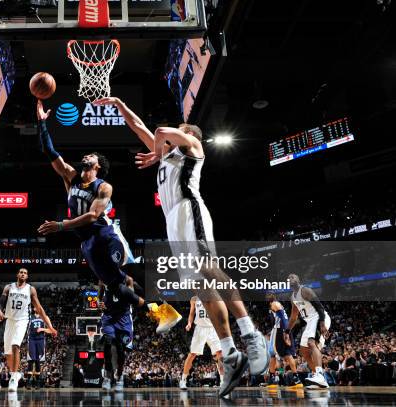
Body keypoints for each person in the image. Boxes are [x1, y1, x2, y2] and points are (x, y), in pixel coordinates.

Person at [94, 96, 270, 398]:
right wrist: (121, 105)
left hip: (191, 211)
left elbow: (160, 132)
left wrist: (157, 147)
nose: (176, 131)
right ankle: (230, 354)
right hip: (172, 222)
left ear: (189, 137)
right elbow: (139, 127)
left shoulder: (193, 149)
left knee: (209, 269)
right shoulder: (167, 156)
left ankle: (251, 334)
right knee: (201, 289)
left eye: (182, 130)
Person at [34, 99, 181, 333]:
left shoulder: (104, 186)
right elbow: (50, 152)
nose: (86, 156)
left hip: (105, 234)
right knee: (115, 285)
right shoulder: (70, 176)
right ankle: (160, 313)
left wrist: (61, 225)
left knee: (129, 273)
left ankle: (166, 308)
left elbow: (93, 215)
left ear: (97, 165)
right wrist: (42, 124)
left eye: (91, 155)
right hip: (86, 243)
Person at [0, 268, 57, 392]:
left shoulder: (30, 289)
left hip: (22, 320)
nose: (23, 274)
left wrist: (50, 327)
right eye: (21, 272)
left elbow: (39, 309)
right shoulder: (8, 287)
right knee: (8, 353)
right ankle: (15, 373)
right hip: (9, 320)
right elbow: (0, 303)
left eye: (25, 273)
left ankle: (13, 378)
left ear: (27, 276)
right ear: (17, 274)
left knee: (15, 345)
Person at [286, 273, 331, 388]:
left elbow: (319, 306)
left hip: (319, 317)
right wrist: (286, 331)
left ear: (298, 280)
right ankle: (318, 378)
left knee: (311, 343)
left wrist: (322, 323)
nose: (290, 278)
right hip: (310, 322)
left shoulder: (305, 290)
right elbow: (293, 317)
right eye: (289, 278)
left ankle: (320, 375)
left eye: (293, 277)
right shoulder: (293, 297)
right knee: (303, 351)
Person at [98, 278, 134, 392]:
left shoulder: (127, 280)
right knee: (108, 343)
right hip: (108, 316)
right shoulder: (102, 277)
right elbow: (99, 295)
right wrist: (99, 303)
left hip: (123, 317)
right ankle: (107, 377)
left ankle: (119, 376)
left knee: (120, 348)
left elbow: (132, 298)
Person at [180, 296, 223, 389]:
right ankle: (183, 380)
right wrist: (189, 323)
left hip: (212, 328)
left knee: (220, 353)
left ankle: (223, 381)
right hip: (200, 328)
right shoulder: (194, 299)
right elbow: (191, 313)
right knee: (192, 354)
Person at [266, 293, 302, 388]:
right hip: (284, 329)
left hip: (280, 330)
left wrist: (284, 333)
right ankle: (296, 378)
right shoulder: (277, 304)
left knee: (273, 353)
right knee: (287, 354)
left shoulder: (274, 304)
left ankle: (272, 379)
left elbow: (282, 318)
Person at [26, 309, 47, 389]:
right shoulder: (30, 317)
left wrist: (42, 329)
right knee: (31, 360)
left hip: (41, 340)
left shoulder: (44, 317)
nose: (36, 308)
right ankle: (28, 382)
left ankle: (37, 383)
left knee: (38, 361)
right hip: (32, 339)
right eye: (34, 307)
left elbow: (50, 330)